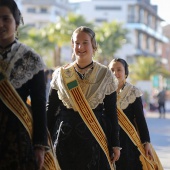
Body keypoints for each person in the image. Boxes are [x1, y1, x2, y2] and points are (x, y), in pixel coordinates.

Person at [46, 26, 121, 170]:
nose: (80, 47)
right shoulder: (61, 75)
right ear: (72, 45)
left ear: (94, 45)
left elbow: (111, 112)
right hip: (64, 139)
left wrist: (115, 144)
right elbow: (51, 109)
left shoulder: (105, 75)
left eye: (85, 42)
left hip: (94, 139)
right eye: (76, 43)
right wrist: (42, 141)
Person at [0, 0, 48, 169]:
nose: (1, 24)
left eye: (6, 19)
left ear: (16, 22)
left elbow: (39, 105)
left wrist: (39, 146)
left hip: (18, 138)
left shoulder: (31, 59)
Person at [108, 58, 153, 170]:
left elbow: (140, 119)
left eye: (119, 70)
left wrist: (146, 142)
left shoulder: (133, 93)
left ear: (126, 73)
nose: (115, 73)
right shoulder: (104, 93)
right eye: (112, 70)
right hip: (108, 139)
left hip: (128, 142)